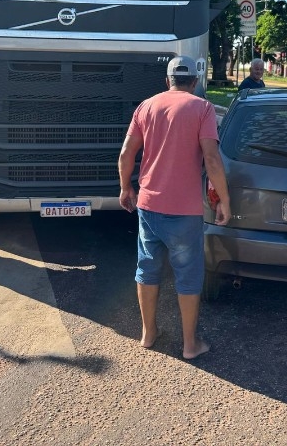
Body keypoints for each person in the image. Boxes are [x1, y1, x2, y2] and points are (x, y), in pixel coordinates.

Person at [117, 55, 230, 360]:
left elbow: (126, 152)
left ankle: (148, 333)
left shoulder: (146, 106)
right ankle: (190, 344)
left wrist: (126, 187)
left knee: (147, 268)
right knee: (188, 275)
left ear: (167, 81)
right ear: (195, 81)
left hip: (149, 205)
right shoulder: (203, 108)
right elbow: (211, 158)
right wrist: (224, 200)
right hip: (185, 210)